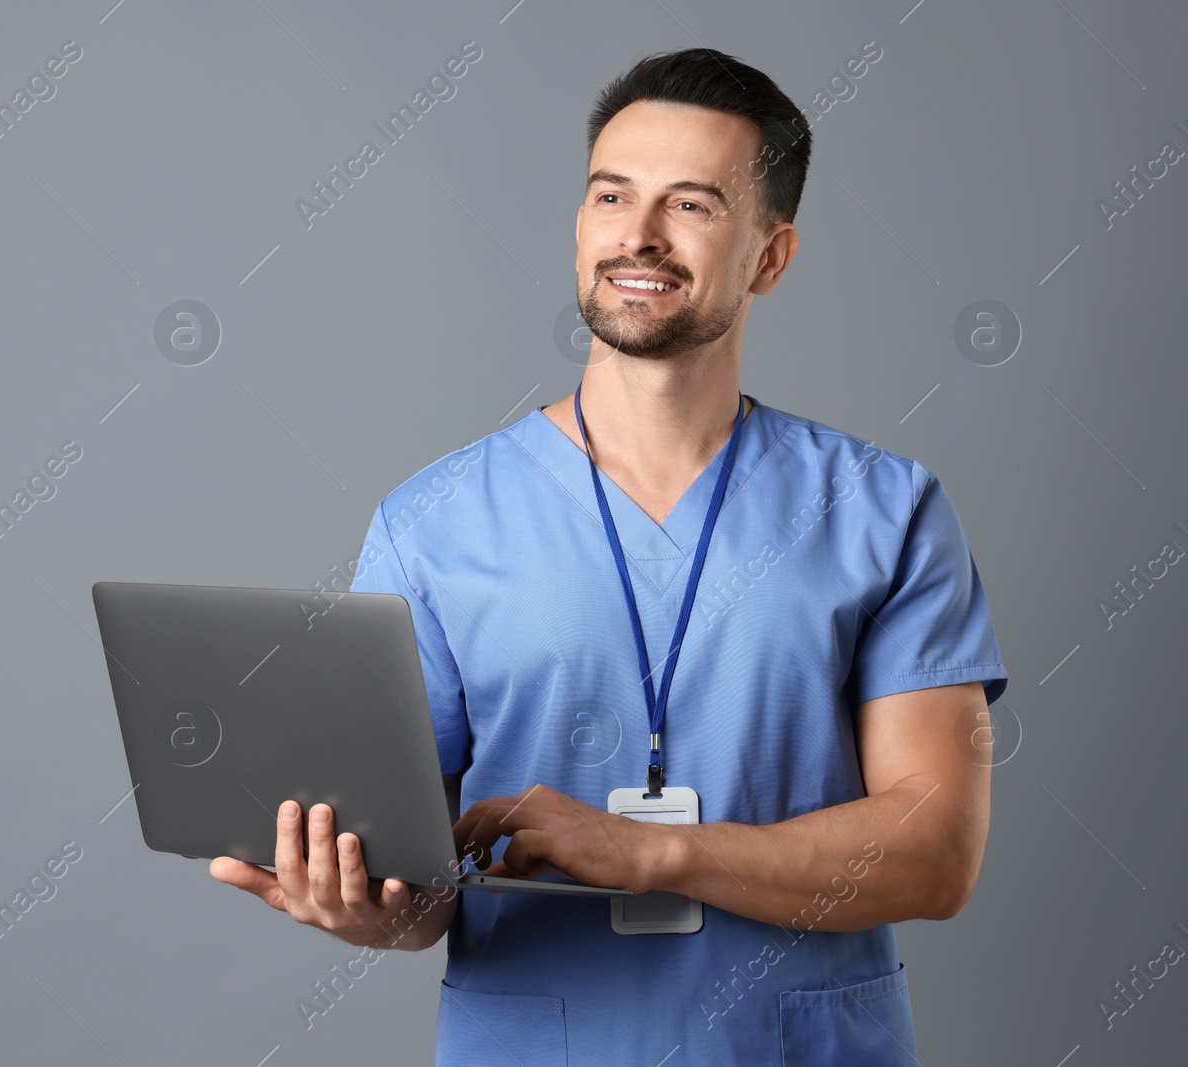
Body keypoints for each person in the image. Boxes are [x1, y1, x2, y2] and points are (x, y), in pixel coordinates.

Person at [210, 47, 1007, 1065]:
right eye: (609, 195)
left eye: (692, 205)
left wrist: (654, 850)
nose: (637, 236)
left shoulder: (885, 511)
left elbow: (935, 854)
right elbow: (420, 891)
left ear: (770, 255)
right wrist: (367, 909)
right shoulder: (435, 521)